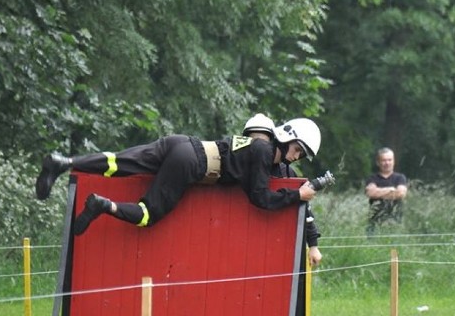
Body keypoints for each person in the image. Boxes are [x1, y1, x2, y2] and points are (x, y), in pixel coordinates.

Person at [35, 117, 322, 236]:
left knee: (119, 162)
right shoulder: (263, 152)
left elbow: (277, 175)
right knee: (148, 215)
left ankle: (63, 162)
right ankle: (102, 205)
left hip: (183, 143)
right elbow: (260, 198)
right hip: (191, 162)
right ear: (286, 138)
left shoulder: (260, 147)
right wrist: (297, 195)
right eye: (298, 150)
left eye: (302, 155)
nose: (297, 157)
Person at [243, 114, 323, 268]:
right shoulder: (240, 167)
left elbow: (305, 211)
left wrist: (313, 244)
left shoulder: (287, 173)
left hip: (274, 244)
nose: (258, 143)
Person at [365, 147, 408, 235]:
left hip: (395, 220)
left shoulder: (400, 178)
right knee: (373, 248)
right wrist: (391, 190)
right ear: (378, 162)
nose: (387, 163)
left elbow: (401, 194)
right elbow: (371, 193)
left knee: (393, 248)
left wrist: (379, 192)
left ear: (394, 161)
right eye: (384, 160)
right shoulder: (372, 178)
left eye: (389, 160)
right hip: (374, 222)